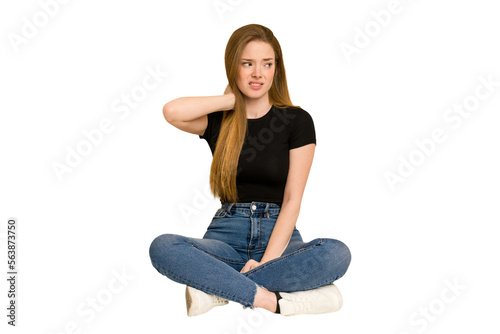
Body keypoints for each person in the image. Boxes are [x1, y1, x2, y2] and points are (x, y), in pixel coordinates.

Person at [149, 23, 351, 317]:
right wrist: (231, 100)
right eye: (248, 64)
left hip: (280, 243)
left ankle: (216, 289)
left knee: (337, 253)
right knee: (163, 247)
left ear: (276, 69)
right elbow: (171, 111)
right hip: (225, 239)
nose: (258, 73)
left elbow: (293, 199)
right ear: (234, 67)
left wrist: (268, 261)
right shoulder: (221, 121)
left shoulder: (296, 121)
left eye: (267, 64)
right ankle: (273, 300)